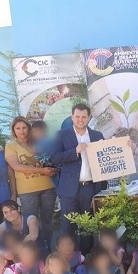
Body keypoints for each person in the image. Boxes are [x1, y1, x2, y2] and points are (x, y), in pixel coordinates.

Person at [50, 104, 106, 252]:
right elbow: (54, 158)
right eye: (77, 116)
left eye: (84, 117)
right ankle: (69, 259)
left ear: (89, 117)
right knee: (68, 227)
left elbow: (108, 154)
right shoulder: (61, 135)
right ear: (72, 117)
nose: (80, 120)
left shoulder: (97, 136)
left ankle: (86, 258)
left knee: (88, 227)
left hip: (90, 188)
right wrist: (75, 151)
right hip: (69, 189)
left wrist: (125, 146)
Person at [4, 117, 58, 245]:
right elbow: (16, 166)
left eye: (24, 127)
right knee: (29, 222)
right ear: (13, 130)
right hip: (27, 191)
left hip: (48, 187)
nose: (21, 131)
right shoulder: (11, 147)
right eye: (18, 128)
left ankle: (48, 249)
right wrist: (42, 170)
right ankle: (31, 251)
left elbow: (52, 159)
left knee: (47, 222)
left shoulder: (39, 143)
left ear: (29, 129)